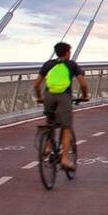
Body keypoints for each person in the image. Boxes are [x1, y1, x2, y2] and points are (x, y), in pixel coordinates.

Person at [34, 42, 89, 171]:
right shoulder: (71, 65)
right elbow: (83, 84)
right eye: (69, 52)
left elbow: (36, 85)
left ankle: (47, 147)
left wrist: (40, 98)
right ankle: (64, 159)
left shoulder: (48, 64)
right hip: (64, 97)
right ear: (66, 52)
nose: (70, 54)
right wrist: (85, 96)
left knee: (50, 122)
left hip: (49, 96)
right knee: (66, 127)